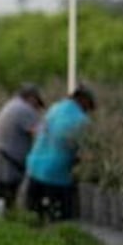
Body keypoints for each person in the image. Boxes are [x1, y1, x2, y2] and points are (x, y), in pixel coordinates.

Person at [24, 86, 97, 222]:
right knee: (60, 218)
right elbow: (84, 150)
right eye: (89, 106)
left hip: (34, 167)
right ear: (84, 101)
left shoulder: (54, 108)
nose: (89, 110)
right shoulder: (81, 120)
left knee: (33, 217)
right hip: (56, 173)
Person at [0, 84, 46, 207]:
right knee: (5, 203)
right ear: (31, 98)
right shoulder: (24, 110)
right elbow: (42, 134)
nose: (37, 110)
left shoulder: (12, 105)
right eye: (37, 105)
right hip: (6, 167)